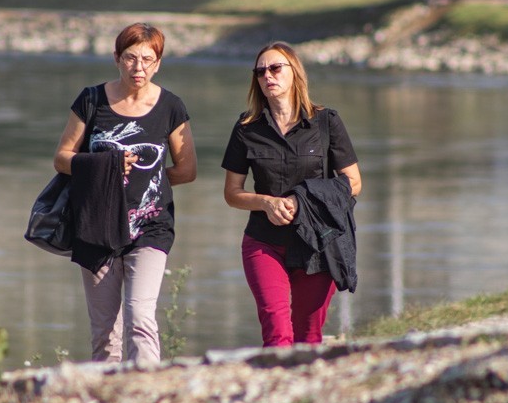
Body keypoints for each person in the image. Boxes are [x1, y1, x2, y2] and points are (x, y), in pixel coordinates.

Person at [53, 23, 197, 364]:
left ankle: (148, 395)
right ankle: (106, 401)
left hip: (150, 226)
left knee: (140, 318)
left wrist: (147, 183)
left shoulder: (171, 107)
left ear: (158, 63)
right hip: (96, 226)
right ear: (117, 58)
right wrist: (106, 170)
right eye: (131, 58)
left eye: (148, 59)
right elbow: (62, 158)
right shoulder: (91, 100)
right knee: (104, 331)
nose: (139, 68)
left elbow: (186, 170)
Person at [221, 41, 361, 348]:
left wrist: (304, 200)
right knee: (276, 332)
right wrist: (265, 202)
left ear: (294, 72)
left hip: (317, 244)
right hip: (263, 242)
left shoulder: (326, 121)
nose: (267, 76)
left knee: (308, 338)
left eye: (275, 68)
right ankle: (273, 394)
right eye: (260, 72)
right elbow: (232, 193)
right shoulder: (247, 127)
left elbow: (353, 182)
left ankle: (305, 395)